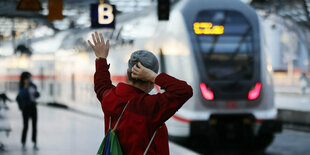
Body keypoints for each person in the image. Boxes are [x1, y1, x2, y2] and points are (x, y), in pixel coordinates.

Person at [88, 32, 193, 154]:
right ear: (150, 80)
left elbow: (101, 85)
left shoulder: (111, 97)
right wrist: (155, 77)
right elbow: (184, 91)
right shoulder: (149, 106)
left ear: (128, 74)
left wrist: (101, 58)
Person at [16, 72, 40, 150]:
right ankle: (23, 143)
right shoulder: (21, 87)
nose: (29, 79)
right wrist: (26, 87)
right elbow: (22, 96)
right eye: (28, 78)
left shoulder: (33, 86)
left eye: (30, 78)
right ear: (24, 79)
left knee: (34, 126)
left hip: (33, 107)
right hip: (26, 108)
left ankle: (34, 142)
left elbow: (37, 95)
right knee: (25, 126)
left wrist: (36, 94)